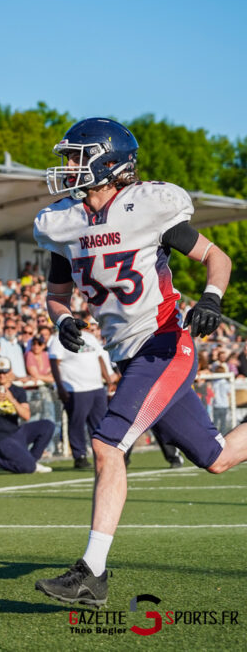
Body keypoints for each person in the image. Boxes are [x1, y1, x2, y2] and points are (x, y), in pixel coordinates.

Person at [32, 117, 247, 607]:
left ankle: (92, 572)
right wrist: (62, 320)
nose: (67, 166)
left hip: (166, 342)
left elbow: (218, 258)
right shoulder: (63, 223)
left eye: (76, 156)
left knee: (108, 446)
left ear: (109, 162)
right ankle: (92, 572)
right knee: (217, 458)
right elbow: (56, 294)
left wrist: (211, 299)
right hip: (129, 355)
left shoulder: (147, 207)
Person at [48, 314, 111, 469]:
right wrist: (60, 387)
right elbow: (54, 363)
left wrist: (108, 381)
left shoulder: (90, 338)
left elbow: (100, 359)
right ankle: (80, 456)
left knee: (100, 423)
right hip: (75, 388)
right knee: (77, 423)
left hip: (96, 387)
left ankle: (102, 454)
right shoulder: (58, 339)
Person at [0, 357, 54, 477]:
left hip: (16, 432)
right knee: (28, 468)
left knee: (47, 425)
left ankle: (31, 461)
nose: (2, 376)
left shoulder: (18, 391)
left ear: (10, 372)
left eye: (5, 372)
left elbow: (26, 416)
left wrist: (12, 400)